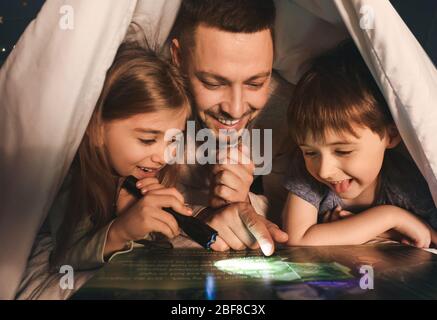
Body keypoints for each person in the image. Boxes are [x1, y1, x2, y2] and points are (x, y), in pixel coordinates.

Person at [48, 41, 193, 270]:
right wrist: (121, 231)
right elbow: (63, 258)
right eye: (147, 139)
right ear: (96, 130)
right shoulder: (73, 180)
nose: (164, 157)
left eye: (174, 139)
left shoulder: (153, 174)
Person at [282, 41, 437, 247]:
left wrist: (386, 233)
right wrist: (391, 218)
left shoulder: (407, 184)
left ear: (390, 135)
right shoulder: (306, 173)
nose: (325, 170)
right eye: (310, 153)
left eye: (343, 151)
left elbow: (430, 238)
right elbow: (297, 238)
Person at [167, 0, 289, 255]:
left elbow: (289, 208)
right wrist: (203, 214)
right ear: (178, 57)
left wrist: (244, 203)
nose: (234, 110)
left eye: (255, 83)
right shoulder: (148, 105)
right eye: (213, 83)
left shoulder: (287, 111)